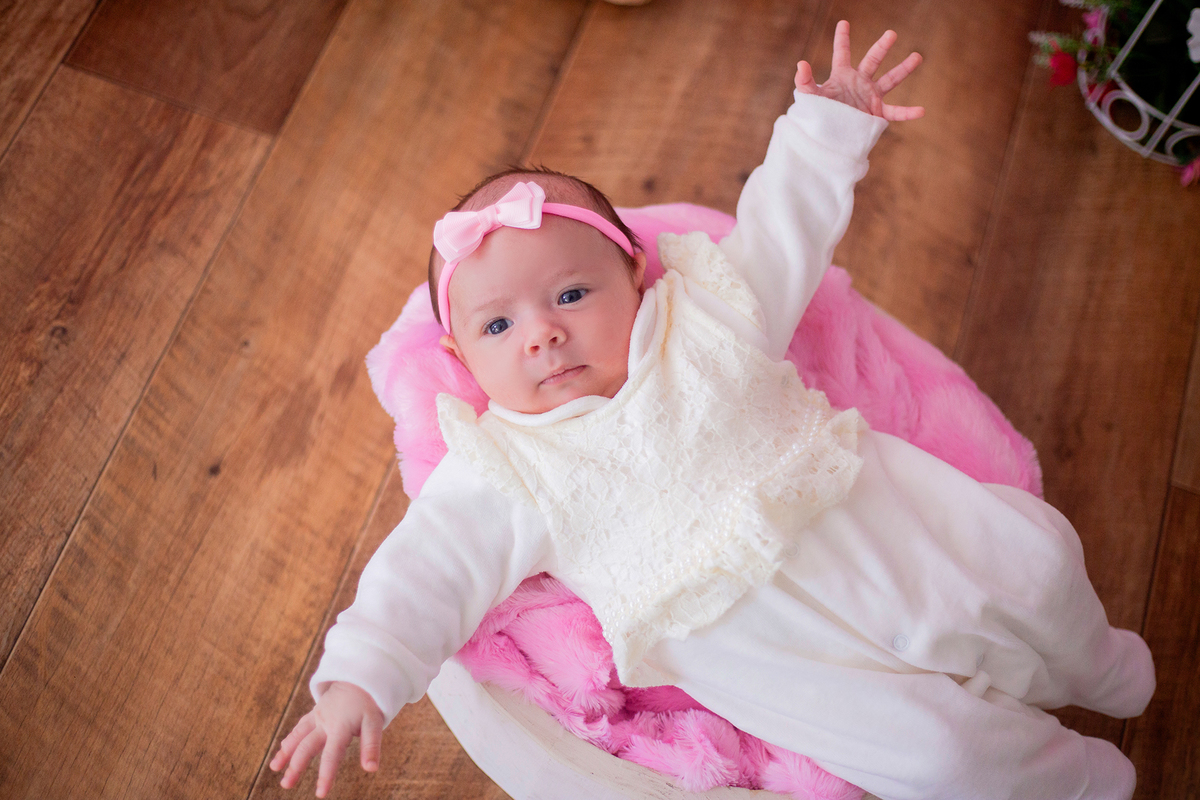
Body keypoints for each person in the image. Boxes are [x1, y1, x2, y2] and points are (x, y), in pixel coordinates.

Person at [270, 22, 1155, 800]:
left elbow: (783, 226)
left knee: (1030, 564)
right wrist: (360, 677)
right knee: (937, 757)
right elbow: (423, 576)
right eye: (499, 324)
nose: (541, 335)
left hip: (870, 521)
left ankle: (1104, 666)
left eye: (572, 293)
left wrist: (829, 127)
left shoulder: (707, 313)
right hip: (762, 652)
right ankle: (1079, 784)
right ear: (462, 359)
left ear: (637, 278)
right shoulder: (502, 470)